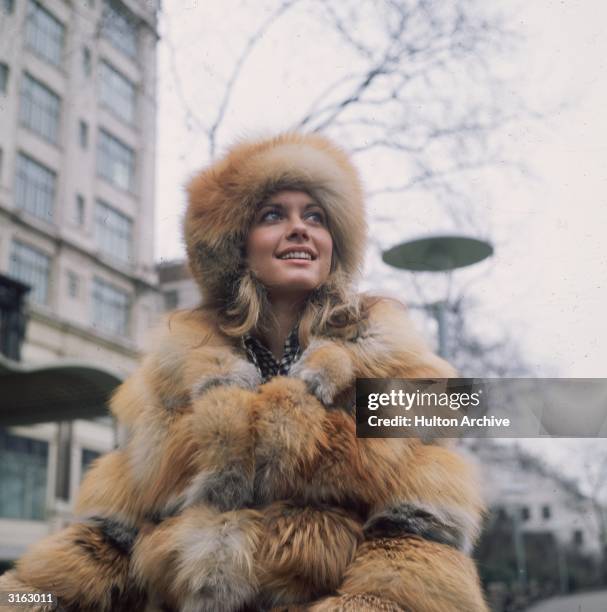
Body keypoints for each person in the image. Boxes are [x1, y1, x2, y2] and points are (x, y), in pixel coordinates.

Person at [0, 133, 488, 611]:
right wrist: (24, 598)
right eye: (274, 214)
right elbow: (105, 545)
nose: (300, 229)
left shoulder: (394, 364)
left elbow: (424, 544)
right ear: (237, 246)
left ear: (333, 243)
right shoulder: (169, 382)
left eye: (315, 216)